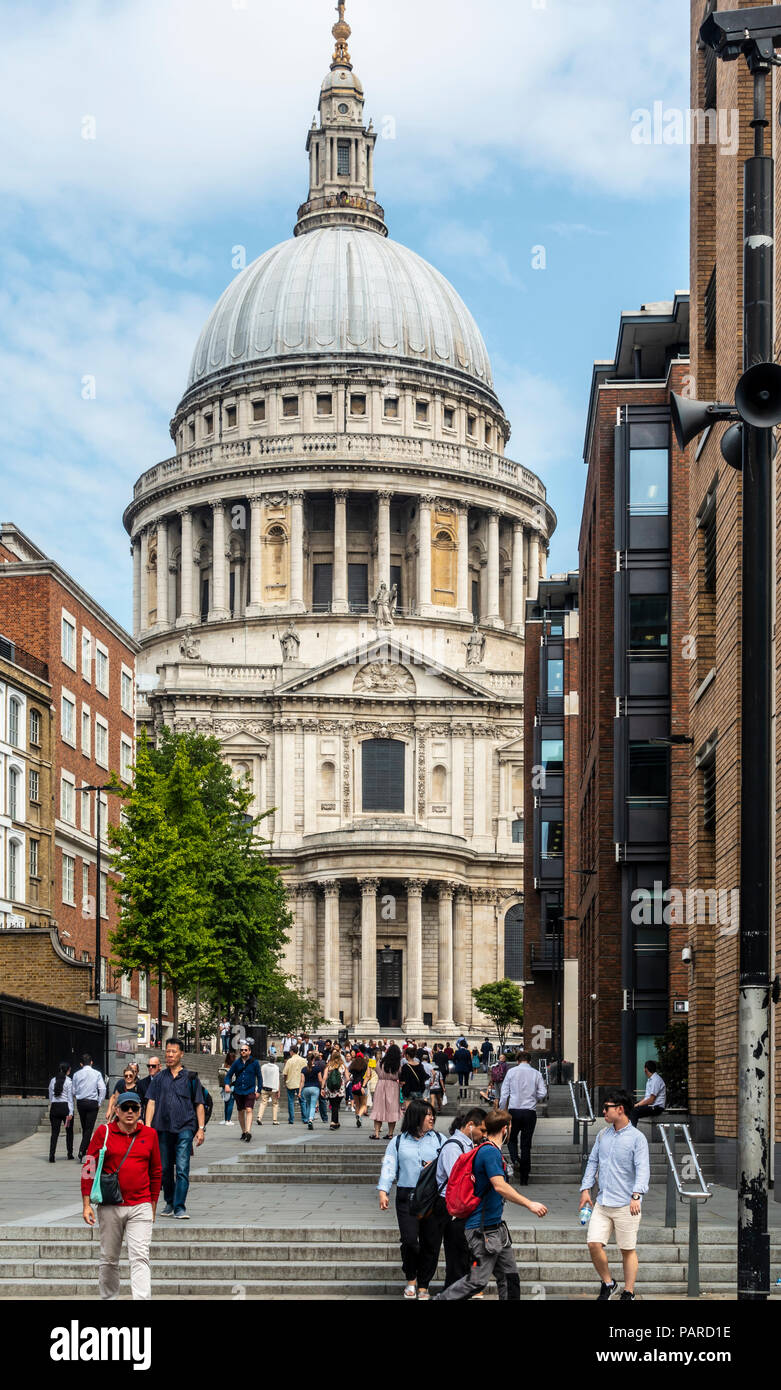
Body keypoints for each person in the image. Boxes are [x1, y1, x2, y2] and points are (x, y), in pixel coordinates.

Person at [433, 1108, 548, 1300]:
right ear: (505, 1129)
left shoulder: (491, 1150)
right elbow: (499, 1186)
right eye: (510, 1127)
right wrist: (530, 1204)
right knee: (477, 1281)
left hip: (495, 1229)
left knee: (510, 1277)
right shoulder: (489, 1152)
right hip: (483, 1231)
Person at [81, 1092, 162, 1300]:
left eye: (134, 1108)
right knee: (109, 1258)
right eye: (125, 1107)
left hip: (140, 1204)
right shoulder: (104, 1132)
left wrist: (152, 1204)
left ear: (140, 1111)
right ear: (116, 1110)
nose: (129, 1112)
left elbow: (156, 1171)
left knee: (140, 1257)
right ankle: (109, 1297)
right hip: (110, 1205)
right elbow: (89, 1165)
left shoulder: (150, 1134)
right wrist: (86, 1203)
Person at [579, 1088, 650, 1301]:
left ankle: (628, 1291)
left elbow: (643, 1168)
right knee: (593, 1243)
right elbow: (592, 1162)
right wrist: (585, 1189)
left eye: (607, 1108)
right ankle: (609, 1283)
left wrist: (637, 1194)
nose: (603, 1111)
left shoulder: (637, 1138)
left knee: (627, 1249)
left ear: (620, 1109)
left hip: (626, 1204)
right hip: (602, 1201)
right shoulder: (603, 1134)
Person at [377, 1099, 446, 1300]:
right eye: (427, 1114)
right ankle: (411, 1278)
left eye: (432, 1114)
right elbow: (389, 1166)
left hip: (433, 1198)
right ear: (416, 1117)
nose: (432, 1117)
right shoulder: (398, 1141)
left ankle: (424, 1284)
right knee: (409, 1241)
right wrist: (383, 1190)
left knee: (431, 1242)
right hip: (407, 1196)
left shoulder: (440, 1140)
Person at [144, 1037, 205, 1219]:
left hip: (185, 1127)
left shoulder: (191, 1078)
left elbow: (199, 1104)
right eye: (167, 1051)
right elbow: (151, 1103)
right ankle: (169, 1201)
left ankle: (180, 1206)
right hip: (162, 1129)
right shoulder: (158, 1078)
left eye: (173, 1052)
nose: (169, 1055)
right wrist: (147, 1127)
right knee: (164, 1170)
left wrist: (200, 1128)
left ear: (181, 1054)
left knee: (182, 1167)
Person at [434, 1108, 487, 1288]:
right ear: (470, 1125)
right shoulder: (452, 1147)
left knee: (464, 1253)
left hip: (463, 1206)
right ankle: (453, 1291)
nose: (483, 1135)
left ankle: (460, 1289)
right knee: (456, 1254)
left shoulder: (468, 1145)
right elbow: (457, 1181)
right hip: (452, 1207)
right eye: (482, 1130)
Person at [499, 1051, 548, 1185]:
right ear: (530, 1061)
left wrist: (502, 1109)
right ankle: (524, 1178)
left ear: (517, 1060)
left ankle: (515, 1160)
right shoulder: (536, 1073)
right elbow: (543, 1092)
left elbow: (504, 1093)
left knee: (511, 1138)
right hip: (529, 1111)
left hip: (514, 1110)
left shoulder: (511, 1072)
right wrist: (534, 1098)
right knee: (526, 1144)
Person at [224, 1040, 262, 1142]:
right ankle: (244, 1131)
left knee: (249, 1110)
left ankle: (248, 1132)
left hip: (250, 1090)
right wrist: (227, 1084)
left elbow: (259, 1077)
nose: (243, 1052)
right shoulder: (236, 1063)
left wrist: (259, 1091)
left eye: (245, 1050)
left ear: (249, 1051)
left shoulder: (255, 1063)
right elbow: (228, 1075)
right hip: (238, 1090)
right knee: (240, 1111)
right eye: (241, 1050)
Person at [72, 1053, 107, 1162]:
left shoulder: (76, 1074)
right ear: (92, 1062)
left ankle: (85, 1149)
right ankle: (82, 1150)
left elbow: (73, 1090)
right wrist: (99, 1101)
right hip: (92, 1102)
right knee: (89, 1128)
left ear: (81, 1064)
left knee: (84, 1127)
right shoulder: (96, 1073)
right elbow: (102, 1089)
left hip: (81, 1102)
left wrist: (79, 1094)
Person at [371, 1043, 402, 1139]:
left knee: (378, 1109)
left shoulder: (380, 1063)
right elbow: (400, 1075)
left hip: (381, 1085)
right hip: (393, 1086)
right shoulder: (398, 1065)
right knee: (392, 1110)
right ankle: (390, 1133)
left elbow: (376, 1070)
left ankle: (376, 1133)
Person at [48, 1062, 74, 1161]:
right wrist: (70, 1112)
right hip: (65, 1109)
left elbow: (50, 1095)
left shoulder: (53, 1080)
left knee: (54, 1133)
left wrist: (53, 1103)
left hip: (55, 1108)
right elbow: (70, 1098)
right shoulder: (69, 1081)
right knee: (69, 1131)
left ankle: (51, 1155)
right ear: (67, 1070)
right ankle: (70, 1153)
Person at [631, 1060, 667, 1128]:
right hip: (651, 1106)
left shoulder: (656, 1080)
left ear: (646, 1069)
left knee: (634, 1111)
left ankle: (632, 1134)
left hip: (656, 1108)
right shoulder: (650, 1080)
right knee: (630, 1106)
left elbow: (651, 1100)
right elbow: (646, 1099)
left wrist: (637, 1105)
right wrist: (636, 1105)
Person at [322, 1046, 347, 1129]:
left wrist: (322, 1088)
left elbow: (325, 1077)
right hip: (340, 1089)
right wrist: (343, 1083)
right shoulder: (343, 1066)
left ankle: (336, 1122)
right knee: (336, 1105)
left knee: (333, 1105)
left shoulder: (329, 1066)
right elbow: (347, 1077)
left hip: (330, 1089)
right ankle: (333, 1122)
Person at [282, 1045, 306, 1124]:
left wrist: (285, 1081)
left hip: (291, 1082)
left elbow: (285, 1073)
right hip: (300, 1083)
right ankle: (305, 1118)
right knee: (302, 1101)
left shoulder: (289, 1061)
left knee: (291, 1101)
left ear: (292, 1051)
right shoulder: (303, 1060)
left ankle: (291, 1119)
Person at [298, 1054, 323, 1130]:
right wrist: (322, 1088)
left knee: (308, 1105)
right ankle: (310, 1119)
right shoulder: (317, 1069)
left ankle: (307, 1118)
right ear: (313, 1060)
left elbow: (302, 1081)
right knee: (313, 1105)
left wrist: (299, 1091)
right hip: (315, 1088)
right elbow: (320, 1080)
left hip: (306, 1089)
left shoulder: (304, 1069)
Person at [348, 1051, 369, 1128]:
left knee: (357, 1105)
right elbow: (367, 1076)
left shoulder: (353, 1064)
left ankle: (357, 1118)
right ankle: (359, 1116)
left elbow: (348, 1073)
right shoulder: (365, 1065)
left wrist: (349, 1079)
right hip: (362, 1086)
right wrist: (363, 1086)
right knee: (363, 1104)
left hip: (354, 1086)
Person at [258, 1055, 281, 1125]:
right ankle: (274, 1120)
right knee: (275, 1104)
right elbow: (277, 1079)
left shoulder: (263, 1067)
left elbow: (260, 1076)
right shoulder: (276, 1068)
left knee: (263, 1102)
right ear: (275, 1060)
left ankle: (259, 1117)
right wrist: (278, 1090)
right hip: (273, 1088)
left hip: (264, 1086)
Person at [137, 1057, 160, 1123]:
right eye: (148, 1066)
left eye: (153, 1066)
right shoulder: (142, 1083)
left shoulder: (166, 1080)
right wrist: (140, 1118)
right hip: (149, 1120)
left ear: (159, 1066)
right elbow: (140, 1102)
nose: (150, 1068)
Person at [218, 1050, 237, 1125]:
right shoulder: (235, 1066)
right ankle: (228, 1120)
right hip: (232, 1086)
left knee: (226, 1103)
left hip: (224, 1086)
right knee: (231, 1104)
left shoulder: (223, 1065)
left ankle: (225, 1119)